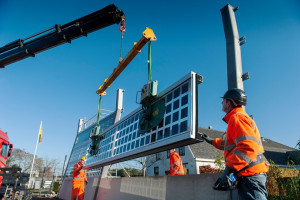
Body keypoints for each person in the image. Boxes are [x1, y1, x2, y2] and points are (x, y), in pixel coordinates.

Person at [202, 88, 268, 200]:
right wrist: (211, 141)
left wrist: (228, 169)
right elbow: (230, 145)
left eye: (224, 100)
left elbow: (247, 147)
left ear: (230, 103)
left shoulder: (237, 118)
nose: (221, 102)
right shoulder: (239, 117)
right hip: (250, 175)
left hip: (250, 175)